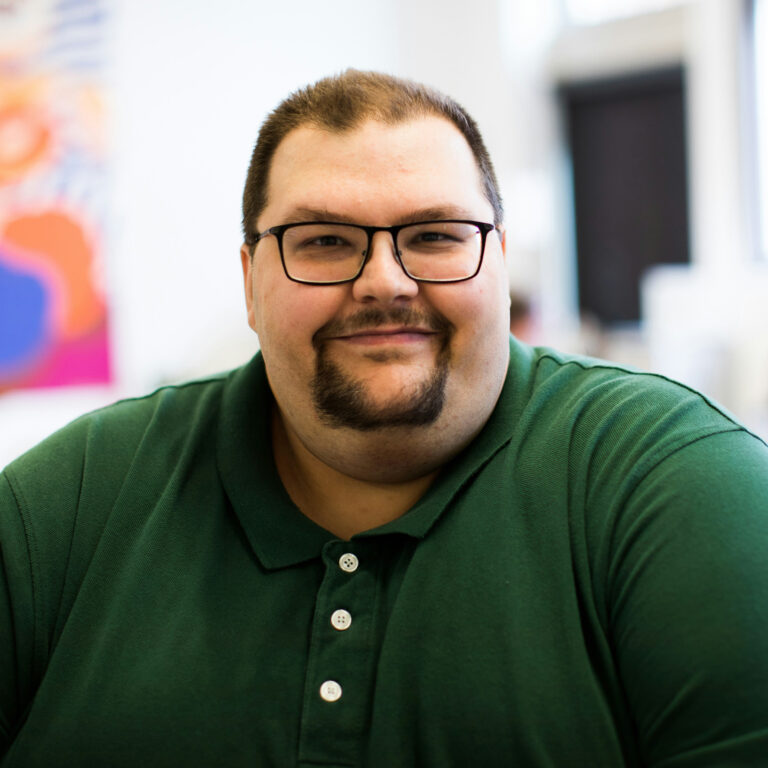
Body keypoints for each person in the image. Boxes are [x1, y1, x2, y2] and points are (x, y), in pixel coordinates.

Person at [1, 70, 767, 768]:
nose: (384, 282)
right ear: (251, 282)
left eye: (434, 235)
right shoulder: (66, 508)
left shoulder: (676, 488)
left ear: (500, 266)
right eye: (325, 241)